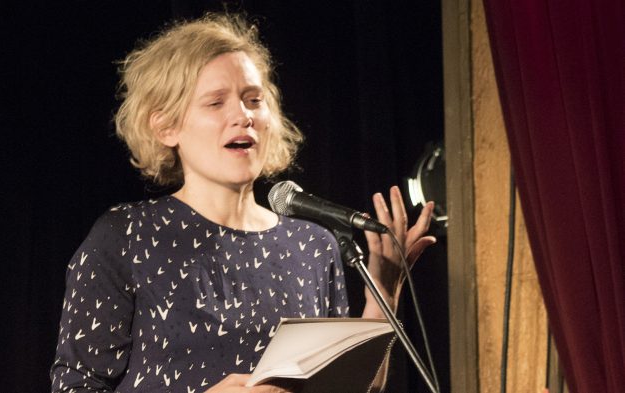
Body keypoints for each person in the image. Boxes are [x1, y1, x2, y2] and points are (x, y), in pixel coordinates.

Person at [50, 13, 435, 393]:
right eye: (216, 103)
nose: (243, 116)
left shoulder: (314, 246)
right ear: (166, 126)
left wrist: (383, 293)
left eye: (254, 99)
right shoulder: (127, 237)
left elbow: (349, 388)